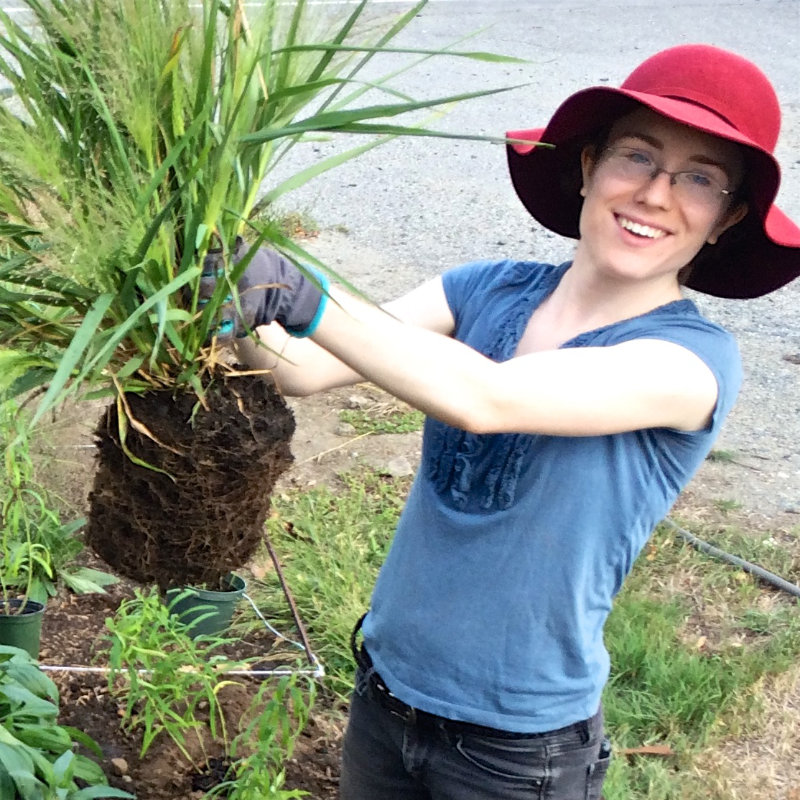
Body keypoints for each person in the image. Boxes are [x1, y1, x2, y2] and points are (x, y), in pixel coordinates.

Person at [200, 44, 800, 800]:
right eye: (636, 156)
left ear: (726, 218)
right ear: (588, 167)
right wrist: (217, 289)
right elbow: (304, 368)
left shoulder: (690, 363)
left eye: (700, 178)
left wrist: (302, 291)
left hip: (516, 753)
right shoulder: (484, 288)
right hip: (385, 698)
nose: (655, 193)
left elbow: (488, 399)